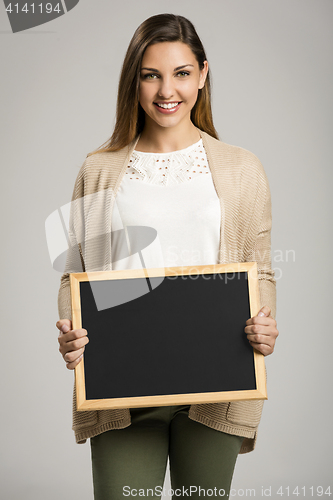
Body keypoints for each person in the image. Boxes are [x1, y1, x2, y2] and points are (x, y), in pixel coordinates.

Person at [56, 13, 279, 500]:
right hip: (122, 386)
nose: (165, 90)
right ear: (133, 80)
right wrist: (72, 333)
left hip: (217, 383)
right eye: (150, 74)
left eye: (180, 73)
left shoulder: (243, 169)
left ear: (202, 73)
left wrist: (266, 324)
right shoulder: (98, 169)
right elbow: (74, 276)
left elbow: (259, 269)